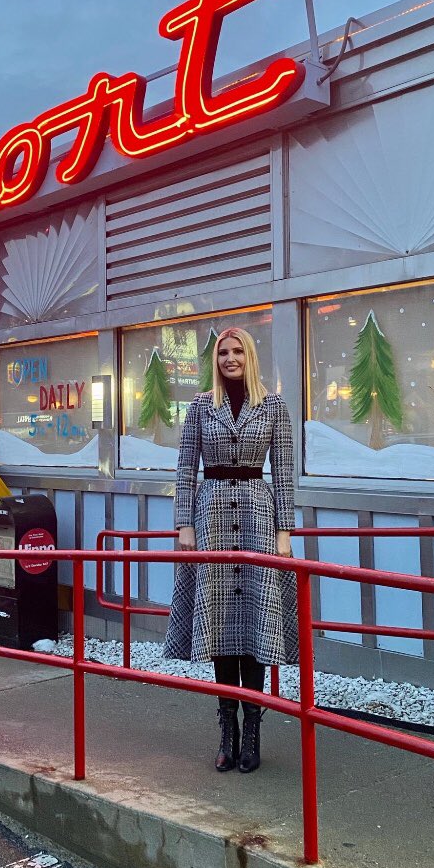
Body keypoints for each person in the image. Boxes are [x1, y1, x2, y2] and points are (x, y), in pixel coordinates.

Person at [163, 326, 297, 774]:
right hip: (212, 516)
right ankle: (227, 730)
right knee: (219, 622)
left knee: (256, 622)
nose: (230, 358)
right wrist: (184, 523)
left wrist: (284, 531)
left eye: (238, 351)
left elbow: (284, 472)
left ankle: (252, 730)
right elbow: (185, 468)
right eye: (223, 352)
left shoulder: (273, 406)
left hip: (258, 515)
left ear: (250, 356)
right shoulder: (201, 406)